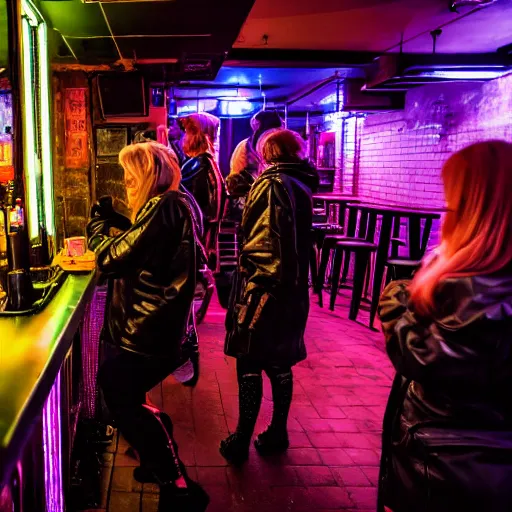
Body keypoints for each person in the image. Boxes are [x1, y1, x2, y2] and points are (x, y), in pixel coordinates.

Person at [377, 140, 512, 512]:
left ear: (475, 210)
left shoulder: (478, 289)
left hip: (450, 468)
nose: (443, 211)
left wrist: (396, 295)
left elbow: (421, 357)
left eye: (451, 200)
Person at [87, 141, 209, 511]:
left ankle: (179, 483)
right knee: (126, 391)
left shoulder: (166, 205)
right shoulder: (173, 204)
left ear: (146, 176)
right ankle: (157, 462)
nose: (126, 184)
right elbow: (143, 243)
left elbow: (110, 258)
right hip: (156, 326)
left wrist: (95, 227)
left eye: (129, 177)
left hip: (151, 329)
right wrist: (119, 223)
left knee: (117, 389)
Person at [220, 129, 319, 465]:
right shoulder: (298, 182)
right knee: (279, 361)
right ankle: (277, 431)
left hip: (266, 288)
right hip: (292, 290)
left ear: (265, 154)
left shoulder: (273, 183)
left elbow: (265, 243)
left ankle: (241, 439)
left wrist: (254, 295)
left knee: (248, 359)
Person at [180, 112, 226, 269]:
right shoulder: (207, 161)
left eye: (186, 131)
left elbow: (188, 202)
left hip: (198, 237)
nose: (183, 137)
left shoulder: (198, 164)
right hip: (206, 237)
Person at [226, 110, 283, 220]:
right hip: (276, 203)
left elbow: (235, 176)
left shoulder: (244, 146)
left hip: (252, 202)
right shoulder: (285, 144)